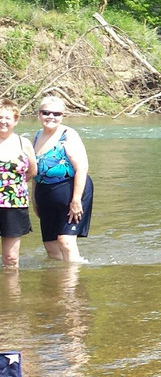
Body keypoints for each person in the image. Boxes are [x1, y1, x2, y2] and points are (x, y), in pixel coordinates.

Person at [32, 96, 93, 263]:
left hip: (71, 190)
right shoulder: (37, 136)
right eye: (46, 113)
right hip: (45, 193)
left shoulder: (68, 135)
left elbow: (82, 168)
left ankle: (72, 285)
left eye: (56, 113)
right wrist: (34, 199)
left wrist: (76, 200)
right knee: (51, 246)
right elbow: (34, 171)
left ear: (63, 115)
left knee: (65, 241)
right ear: (39, 114)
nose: (51, 117)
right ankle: (60, 279)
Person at [0, 99, 37, 269]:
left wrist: (13, 186)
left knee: (11, 258)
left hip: (14, 204)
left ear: (15, 121)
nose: (3, 121)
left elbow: (32, 171)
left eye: (7, 118)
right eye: (0, 117)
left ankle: (12, 294)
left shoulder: (24, 143)